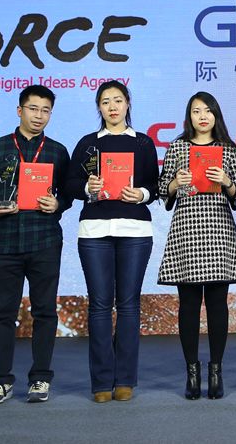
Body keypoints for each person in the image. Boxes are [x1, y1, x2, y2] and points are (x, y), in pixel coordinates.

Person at [0, 85, 71, 405]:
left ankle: (40, 378)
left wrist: (58, 204)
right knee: (2, 313)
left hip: (45, 241)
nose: (39, 115)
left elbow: (68, 193)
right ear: (20, 110)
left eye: (45, 110)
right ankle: (0, 381)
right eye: (33, 108)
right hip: (4, 241)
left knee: (45, 312)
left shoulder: (57, 151)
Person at [66, 80, 159, 403]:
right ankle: (102, 382)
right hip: (94, 230)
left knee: (129, 305)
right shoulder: (88, 144)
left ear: (128, 103)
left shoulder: (143, 143)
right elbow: (69, 183)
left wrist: (141, 194)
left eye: (118, 100)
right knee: (100, 305)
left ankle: (125, 380)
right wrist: (87, 188)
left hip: (135, 230)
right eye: (105, 102)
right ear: (99, 107)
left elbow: (155, 185)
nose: (112, 107)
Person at [157, 92, 236, 400]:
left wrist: (226, 181)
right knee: (189, 305)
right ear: (189, 116)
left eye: (208, 110)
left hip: (218, 230)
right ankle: (192, 373)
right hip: (187, 230)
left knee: (218, 304)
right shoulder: (177, 147)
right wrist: (175, 183)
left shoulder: (228, 149)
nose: (203, 116)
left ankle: (216, 370)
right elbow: (162, 189)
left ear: (216, 114)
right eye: (196, 111)